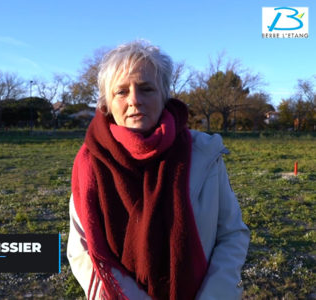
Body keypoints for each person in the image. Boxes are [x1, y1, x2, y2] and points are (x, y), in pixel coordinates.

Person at [67, 40, 250, 300]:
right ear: (107, 102)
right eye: (121, 91)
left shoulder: (203, 153)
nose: (134, 100)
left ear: (164, 95)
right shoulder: (89, 163)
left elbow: (232, 234)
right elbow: (83, 250)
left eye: (146, 88)